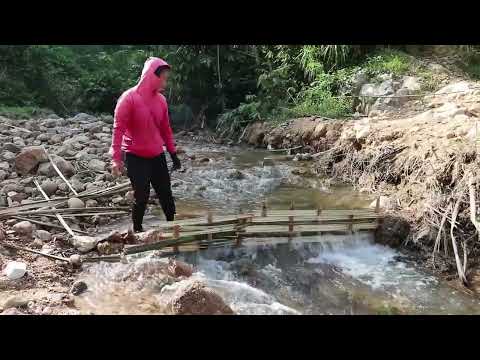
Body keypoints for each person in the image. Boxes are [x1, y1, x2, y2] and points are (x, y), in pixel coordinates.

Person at [109, 57, 181, 232]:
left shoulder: (161, 101)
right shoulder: (128, 99)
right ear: (151, 76)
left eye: (166, 77)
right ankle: (138, 230)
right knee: (142, 195)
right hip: (134, 155)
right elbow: (118, 131)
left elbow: (166, 129)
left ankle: (174, 228)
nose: (165, 81)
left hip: (157, 154)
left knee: (166, 194)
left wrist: (172, 153)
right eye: (163, 77)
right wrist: (116, 160)